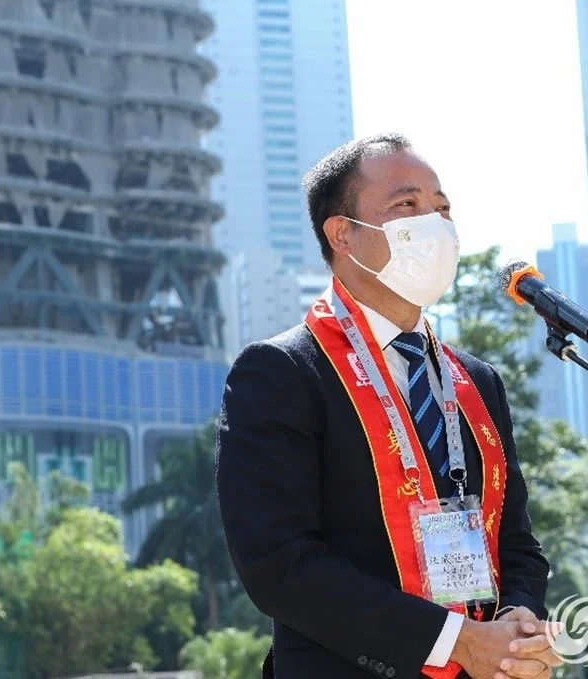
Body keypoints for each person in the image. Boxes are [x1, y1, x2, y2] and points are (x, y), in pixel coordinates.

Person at [216, 134, 561, 679]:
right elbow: (279, 563)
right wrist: (454, 640)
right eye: (407, 206)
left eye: (442, 207)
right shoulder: (282, 372)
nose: (435, 223)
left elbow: (516, 539)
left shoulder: (477, 381)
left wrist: (516, 625)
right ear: (342, 234)